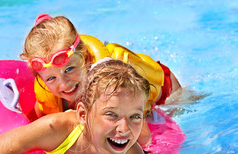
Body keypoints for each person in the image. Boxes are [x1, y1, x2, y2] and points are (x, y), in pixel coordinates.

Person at [19, 14, 182, 146]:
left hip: (166, 91)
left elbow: (143, 138)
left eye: (69, 69)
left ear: (85, 58)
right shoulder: (46, 90)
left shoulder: (114, 85)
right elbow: (35, 124)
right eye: (51, 78)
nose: (63, 83)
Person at [0, 59, 150, 154]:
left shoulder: (132, 153)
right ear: (83, 115)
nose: (124, 129)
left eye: (135, 116)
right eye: (111, 115)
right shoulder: (55, 130)